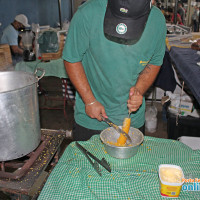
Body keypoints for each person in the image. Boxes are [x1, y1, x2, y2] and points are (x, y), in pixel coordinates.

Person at [63, 0, 166, 141]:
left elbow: (154, 62)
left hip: (133, 121)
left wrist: (139, 89)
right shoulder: (88, 13)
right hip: (92, 118)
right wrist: (90, 101)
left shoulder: (157, 21)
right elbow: (72, 58)